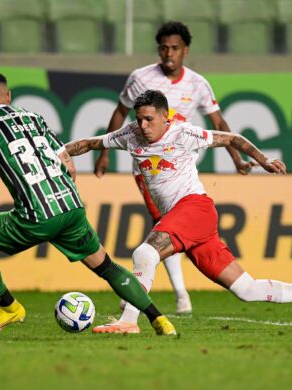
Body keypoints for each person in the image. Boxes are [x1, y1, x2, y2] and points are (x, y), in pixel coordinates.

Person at [0, 72, 176, 336]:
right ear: (9, 96)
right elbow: (68, 162)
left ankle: (8, 307)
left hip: (35, 216)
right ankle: (158, 319)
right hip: (72, 208)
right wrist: (61, 197)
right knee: (107, 267)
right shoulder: (33, 118)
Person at [67, 89, 292, 334]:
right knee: (247, 289)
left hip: (195, 207)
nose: (142, 125)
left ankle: (129, 321)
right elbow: (89, 144)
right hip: (187, 221)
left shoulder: (183, 134)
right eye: (139, 119)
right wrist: (56, 153)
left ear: (165, 117)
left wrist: (264, 160)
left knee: (145, 254)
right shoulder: (131, 134)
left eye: (148, 119)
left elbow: (232, 138)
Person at [94, 21, 255, 315]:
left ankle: (145, 292)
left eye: (175, 48)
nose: (169, 54)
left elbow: (219, 124)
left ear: (186, 51)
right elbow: (120, 112)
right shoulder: (140, 78)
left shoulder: (198, 83)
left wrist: (236, 159)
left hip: (182, 168)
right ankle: (176, 294)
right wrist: (104, 155)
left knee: (166, 228)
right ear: (159, 50)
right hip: (148, 168)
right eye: (164, 48)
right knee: (163, 224)